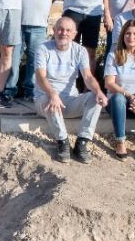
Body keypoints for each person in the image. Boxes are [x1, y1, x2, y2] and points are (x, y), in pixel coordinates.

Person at [34, 14, 107, 163]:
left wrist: (99, 91)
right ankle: (63, 143)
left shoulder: (80, 51)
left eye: (68, 30)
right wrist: (53, 94)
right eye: (60, 29)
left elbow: (87, 77)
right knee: (49, 98)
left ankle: (82, 142)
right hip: (46, 101)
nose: (64, 33)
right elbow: (41, 77)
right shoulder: (43, 49)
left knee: (95, 97)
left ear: (74, 34)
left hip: (70, 101)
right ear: (54, 30)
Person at [101, 19, 135, 163]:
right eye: (127, 34)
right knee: (118, 98)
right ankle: (120, 141)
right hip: (117, 101)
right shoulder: (114, 55)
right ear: (122, 36)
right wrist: (129, 95)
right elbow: (109, 83)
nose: (131, 37)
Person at [12, 0, 55, 102]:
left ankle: (30, 91)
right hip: (17, 20)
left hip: (38, 22)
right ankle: (9, 91)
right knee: (13, 59)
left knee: (35, 61)